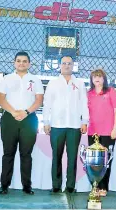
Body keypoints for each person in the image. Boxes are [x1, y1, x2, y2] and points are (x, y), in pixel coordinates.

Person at [0, 51, 44, 195]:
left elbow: (39, 100)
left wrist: (26, 112)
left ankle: (27, 186)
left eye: (24, 61)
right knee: (8, 153)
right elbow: (1, 99)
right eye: (18, 61)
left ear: (29, 64)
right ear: (14, 63)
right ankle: (4, 185)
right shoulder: (7, 79)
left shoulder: (35, 80)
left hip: (29, 119)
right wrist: (13, 112)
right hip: (9, 119)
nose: (21, 63)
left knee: (26, 154)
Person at [43, 55, 89, 193]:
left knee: (72, 157)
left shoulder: (80, 83)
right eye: (64, 63)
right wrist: (46, 122)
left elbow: (84, 103)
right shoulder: (53, 83)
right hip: (57, 125)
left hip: (74, 126)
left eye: (69, 63)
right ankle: (56, 185)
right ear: (60, 65)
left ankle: (70, 186)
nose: (67, 65)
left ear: (73, 65)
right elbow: (47, 104)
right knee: (56, 156)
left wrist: (84, 121)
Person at [87, 69, 116, 197]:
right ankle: (95, 187)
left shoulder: (110, 91)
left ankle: (104, 187)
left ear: (104, 79)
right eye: (94, 76)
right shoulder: (88, 93)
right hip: (92, 133)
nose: (97, 78)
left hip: (108, 132)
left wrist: (115, 128)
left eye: (100, 76)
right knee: (92, 162)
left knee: (105, 161)